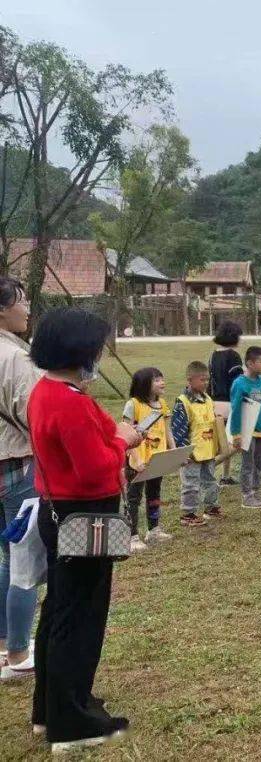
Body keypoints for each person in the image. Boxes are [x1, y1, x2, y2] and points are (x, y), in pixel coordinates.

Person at [28, 307, 143, 752]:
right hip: (85, 516)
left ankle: (52, 707)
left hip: (59, 511)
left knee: (60, 610)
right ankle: (72, 724)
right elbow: (96, 468)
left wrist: (110, 434)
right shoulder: (70, 402)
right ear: (80, 352)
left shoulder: (48, 390)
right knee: (80, 617)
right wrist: (123, 441)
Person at [0, 278, 40, 683]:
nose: (26, 307)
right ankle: (18, 653)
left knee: (5, 556)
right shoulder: (14, 357)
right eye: (21, 300)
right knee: (24, 560)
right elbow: (36, 417)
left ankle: (3, 645)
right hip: (17, 462)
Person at [123, 367, 176, 551]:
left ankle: (153, 529)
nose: (162, 382)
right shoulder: (133, 404)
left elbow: (167, 431)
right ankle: (132, 536)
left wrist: (175, 452)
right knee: (134, 498)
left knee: (154, 495)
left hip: (157, 459)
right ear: (144, 384)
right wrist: (136, 461)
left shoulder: (162, 404)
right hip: (138, 461)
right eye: (157, 380)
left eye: (162, 378)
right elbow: (126, 434)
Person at [171, 361, 221, 527]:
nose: (206, 383)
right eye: (202, 380)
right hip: (192, 454)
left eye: (207, 379)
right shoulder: (182, 402)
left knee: (211, 481)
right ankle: (189, 514)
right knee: (191, 484)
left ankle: (211, 508)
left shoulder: (207, 399)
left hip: (208, 450)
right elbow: (178, 430)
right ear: (190, 380)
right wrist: (185, 452)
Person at [229, 346, 261, 508]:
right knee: (248, 463)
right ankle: (246, 495)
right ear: (249, 363)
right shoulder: (239, 384)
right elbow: (235, 410)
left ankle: (255, 491)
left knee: (260, 462)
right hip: (246, 432)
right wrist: (236, 434)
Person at [208, 321, 243, 486]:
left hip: (214, 404)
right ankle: (207, 471)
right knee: (234, 444)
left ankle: (225, 476)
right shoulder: (233, 356)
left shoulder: (213, 355)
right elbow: (238, 384)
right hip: (229, 404)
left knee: (223, 443)